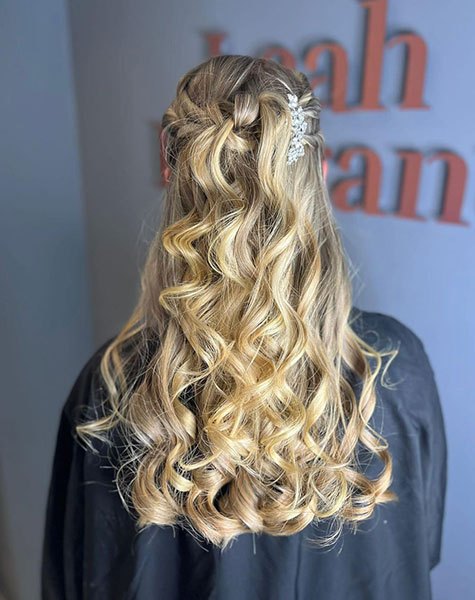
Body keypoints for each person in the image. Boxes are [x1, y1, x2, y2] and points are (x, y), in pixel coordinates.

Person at [41, 55, 447, 600]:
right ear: (321, 170)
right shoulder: (394, 366)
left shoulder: (109, 390)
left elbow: (71, 578)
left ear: (169, 167)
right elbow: (422, 547)